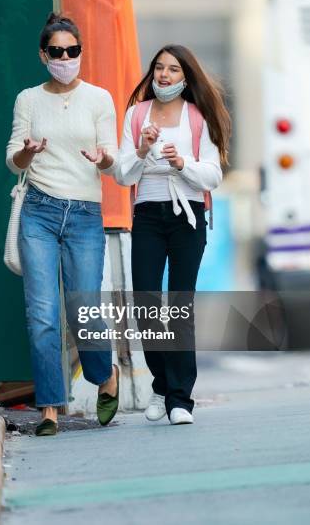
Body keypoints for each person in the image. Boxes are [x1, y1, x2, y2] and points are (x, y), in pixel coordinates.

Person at [6, 13, 119, 436]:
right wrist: (28, 153)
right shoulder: (28, 100)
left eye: (73, 51)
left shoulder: (99, 98)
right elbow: (11, 158)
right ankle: (50, 406)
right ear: (43, 55)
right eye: (57, 52)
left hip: (85, 214)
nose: (66, 58)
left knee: (83, 309)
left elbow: (112, 157)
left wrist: (102, 159)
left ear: (81, 53)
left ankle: (104, 375)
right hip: (39, 209)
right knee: (42, 313)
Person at [115, 44, 231, 425]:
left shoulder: (197, 117)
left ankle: (180, 399)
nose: (164, 76)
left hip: (189, 217)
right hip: (147, 215)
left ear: (186, 78)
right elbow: (122, 175)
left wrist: (183, 164)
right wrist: (143, 149)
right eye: (159, 68)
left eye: (174, 70)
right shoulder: (136, 114)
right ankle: (162, 384)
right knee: (146, 304)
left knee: (180, 307)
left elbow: (213, 174)